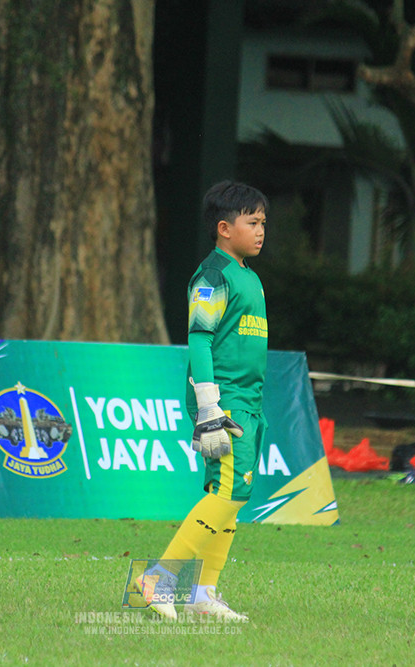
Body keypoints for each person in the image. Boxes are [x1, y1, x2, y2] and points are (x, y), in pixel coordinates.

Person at [139, 180, 269, 622]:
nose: (260, 230)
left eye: (263, 222)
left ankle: (202, 592)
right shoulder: (213, 275)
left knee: (232, 494)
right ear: (223, 228)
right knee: (228, 491)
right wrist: (210, 408)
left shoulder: (248, 277)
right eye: (252, 222)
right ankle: (158, 579)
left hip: (248, 402)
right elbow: (199, 338)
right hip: (225, 402)